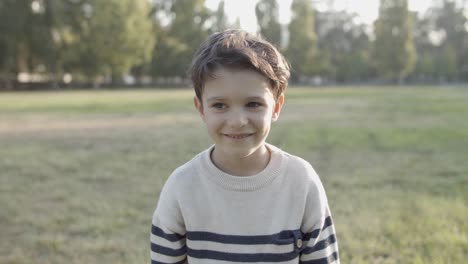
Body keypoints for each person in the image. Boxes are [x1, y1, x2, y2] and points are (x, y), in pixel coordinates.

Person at [150, 29, 339, 264]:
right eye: (220, 105)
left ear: (276, 107)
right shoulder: (181, 187)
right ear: (201, 109)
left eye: (253, 104)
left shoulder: (302, 182)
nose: (237, 121)